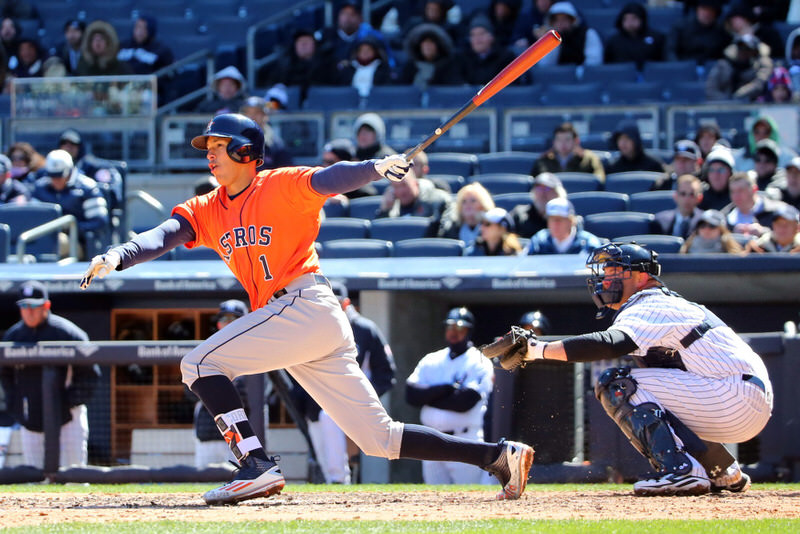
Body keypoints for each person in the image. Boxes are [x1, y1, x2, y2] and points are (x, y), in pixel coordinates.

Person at [79, 113, 533, 505]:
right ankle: (497, 456)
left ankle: (254, 464)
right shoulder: (207, 207)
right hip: (303, 322)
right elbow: (165, 234)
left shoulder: (279, 184)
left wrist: (375, 167)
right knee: (379, 439)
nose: (209, 154)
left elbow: (331, 178)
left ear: (244, 151)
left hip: (303, 303)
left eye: (218, 146)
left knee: (197, 363)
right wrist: (120, 254)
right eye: (209, 147)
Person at [497, 242, 772, 496]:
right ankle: (721, 470)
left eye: (615, 272)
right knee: (651, 397)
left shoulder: (650, 301)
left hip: (733, 393)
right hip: (739, 397)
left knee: (618, 384)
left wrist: (538, 349)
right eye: (605, 273)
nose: (605, 279)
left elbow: (609, 344)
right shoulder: (662, 303)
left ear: (641, 277)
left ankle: (681, 471)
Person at [300, 282, 397, 484]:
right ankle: (334, 488)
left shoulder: (364, 329)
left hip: (348, 402)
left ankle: (339, 482)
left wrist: (363, 399)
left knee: (331, 426)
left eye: (335, 302)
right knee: (322, 457)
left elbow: (386, 374)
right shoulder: (313, 327)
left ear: (346, 303)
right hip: (317, 404)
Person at [0, 281, 101, 470]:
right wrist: (16, 404)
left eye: (33, 306)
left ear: (46, 305)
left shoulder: (67, 332)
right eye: (24, 306)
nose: (28, 311)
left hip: (68, 417)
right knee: (35, 475)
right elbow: (5, 374)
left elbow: (90, 373)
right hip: (31, 416)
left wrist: (69, 400)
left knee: (73, 473)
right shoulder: (13, 336)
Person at [406, 307, 495, 485]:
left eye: (459, 328)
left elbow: (465, 402)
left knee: (468, 497)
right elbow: (411, 395)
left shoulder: (479, 361)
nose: (453, 332)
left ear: (468, 331)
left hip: (464, 439)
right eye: (450, 327)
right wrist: (443, 389)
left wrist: (430, 398)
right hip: (430, 440)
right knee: (434, 498)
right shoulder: (431, 359)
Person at [192, 299, 251, 468]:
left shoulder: (257, 350)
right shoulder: (206, 351)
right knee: (203, 482)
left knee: (246, 479)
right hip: (208, 431)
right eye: (224, 319)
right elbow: (189, 391)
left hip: (244, 433)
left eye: (233, 319)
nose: (228, 324)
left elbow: (260, 394)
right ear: (218, 324)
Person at [32, 149, 109, 258]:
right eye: (52, 175)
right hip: (42, 237)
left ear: (69, 170)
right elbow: (32, 218)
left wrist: (71, 228)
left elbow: (99, 222)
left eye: (60, 175)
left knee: (58, 242)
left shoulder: (87, 188)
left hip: (77, 243)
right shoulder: (40, 188)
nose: (56, 180)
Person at [377, 167, 454, 232]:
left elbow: (445, 230)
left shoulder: (439, 200)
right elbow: (382, 234)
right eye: (396, 187)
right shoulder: (392, 207)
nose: (401, 191)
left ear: (416, 184)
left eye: (404, 185)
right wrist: (385, 211)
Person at [268, 28, 334, 99]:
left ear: (315, 45)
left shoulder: (327, 65)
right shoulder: (284, 66)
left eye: (307, 41)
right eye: (299, 41)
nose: (303, 44)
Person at [705, 33, 772, 102]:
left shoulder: (761, 65)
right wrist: (727, 101)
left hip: (752, 105)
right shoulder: (723, 65)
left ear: (755, 51)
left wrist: (738, 96)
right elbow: (710, 89)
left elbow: (759, 85)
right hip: (722, 106)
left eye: (747, 49)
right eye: (741, 47)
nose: (743, 51)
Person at [525, 197, 602, 254]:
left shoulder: (589, 244)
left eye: (559, 219)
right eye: (551, 219)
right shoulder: (538, 242)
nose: (555, 224)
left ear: (571, 221)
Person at [536, 2, 603, 67]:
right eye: (556, 20)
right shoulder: (551, 39)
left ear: (572, 20)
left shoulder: (588, 34)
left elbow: (594, 62)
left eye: (564, 19)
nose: (560, 23)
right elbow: (545, 65)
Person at [532, 122, 605, 181]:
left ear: (576, 141)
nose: (563, 144)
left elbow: (599, 181)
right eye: (559, 140)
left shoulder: (589, 159)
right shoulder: (543, 160)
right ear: (554, 142)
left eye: (567, 139)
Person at [399, 23, 463, 90]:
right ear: (419, 46)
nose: (427, 46)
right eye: (424, 42)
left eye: (431, 42)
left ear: (439, 46)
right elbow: (400, 90)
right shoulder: (410, 66)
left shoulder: (448, 66)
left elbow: (453, 89)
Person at [720, 171, 784, 237]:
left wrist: (764, 232)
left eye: (740, 190)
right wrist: (731, 236)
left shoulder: (778, 211)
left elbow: (790, 236)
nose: (736, 196)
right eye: (732, 191)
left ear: (754, 189)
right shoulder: (724, 217)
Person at [457, 16, 517, 86]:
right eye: (473, 35)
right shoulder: (461, 58)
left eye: (482, 34)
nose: (478, 39)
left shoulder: (506, 57)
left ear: (491, 37)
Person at [604, 2, 665, 68]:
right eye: (626, 19)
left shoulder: (656, 38)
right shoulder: (614, 41)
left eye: (634, 18)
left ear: (642, 19)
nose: (630, 22)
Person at [238, 96, 293, 170]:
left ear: (265, 116)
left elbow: (286, 175)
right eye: (248, 113)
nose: (252, 116)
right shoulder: (231, 142)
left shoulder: (276, 145)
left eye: (257, 112)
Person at [511, 172, 567, 238]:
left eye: (547, 189)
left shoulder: (565, 217)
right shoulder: (519, 214)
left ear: (558, 194)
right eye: (539, 188)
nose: (542, 193)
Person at [655, 174, 705, 240]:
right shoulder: (660, 221)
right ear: (675, 196)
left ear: (699, 198)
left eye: (692, 194)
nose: (687, 199)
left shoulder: (705, 223)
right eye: (683, 194)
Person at [680, 209, 744, 254]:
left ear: (721, 229)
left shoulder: (729, 250)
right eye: (702, 225)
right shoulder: (687, 249)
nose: (706, 229)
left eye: (712, 226)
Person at [699, 147, 735, 211]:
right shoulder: (699, 198)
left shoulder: (737, 198)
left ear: (730, 173)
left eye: (721, 170)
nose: (716, 175)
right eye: (712, 170)